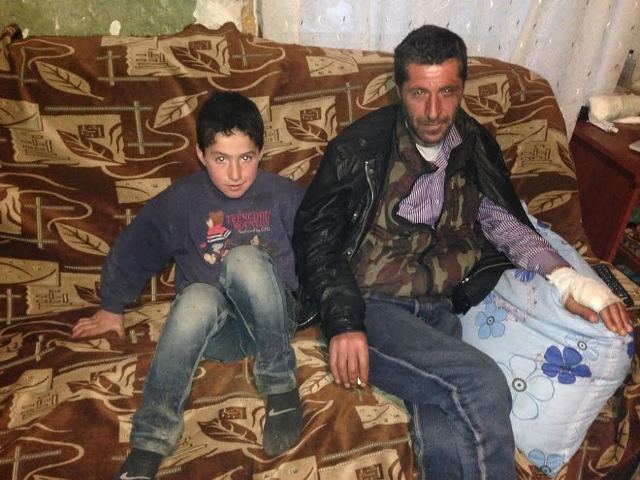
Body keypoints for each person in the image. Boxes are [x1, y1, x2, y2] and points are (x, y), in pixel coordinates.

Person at [292, 24, 632, 480]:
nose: (434, 111)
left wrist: (569, 280)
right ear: (399, 90)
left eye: (447, 92)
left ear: (462, 88)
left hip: (440, 312)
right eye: (419, 94)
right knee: (482, 384)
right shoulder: (360, 148)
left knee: (447, 431)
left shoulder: (473, 146)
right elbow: (314, 236)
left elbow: (504, 222)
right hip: (370, 306)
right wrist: (343, 321)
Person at [71, 92, 305, 480]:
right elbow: (139, 244)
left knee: (244, 259)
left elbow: (324, 248)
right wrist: (112, 306)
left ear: (261, 153)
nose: (234, 174)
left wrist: (338, 315)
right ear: (200, 154)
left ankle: (280, 389)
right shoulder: (182, 201)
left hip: (274, 322)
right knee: (195, 297)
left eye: (246, 158)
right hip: (219, 335)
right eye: (221, 159)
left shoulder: (284, 196)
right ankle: (149, 443)